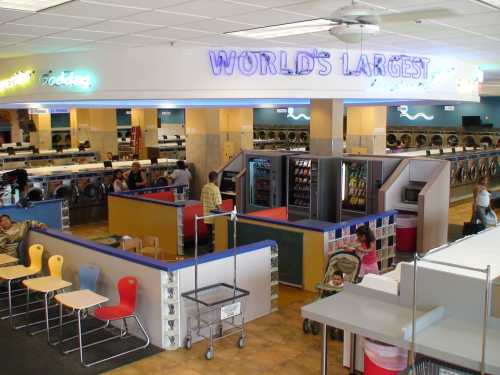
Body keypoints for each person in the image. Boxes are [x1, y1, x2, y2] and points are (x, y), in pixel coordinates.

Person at [201, 171, 222, 253]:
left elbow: (202, 201)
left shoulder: (204, 187)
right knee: (216, 234)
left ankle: (210, 249)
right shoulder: (216, 189)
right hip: (214, 215)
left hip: (206, 214)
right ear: (216, 179)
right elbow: (218, 204)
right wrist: (222, 213)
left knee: (209, 234)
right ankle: (216, 249)